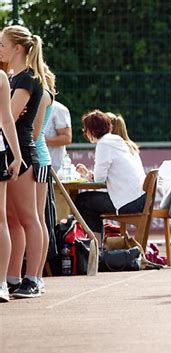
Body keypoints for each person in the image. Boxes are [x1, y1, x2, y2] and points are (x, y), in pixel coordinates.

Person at [0, 25, 46, 298]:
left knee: (29, 217)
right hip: (8, 151)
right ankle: (13, 276)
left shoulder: (27, 79)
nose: (0, 48)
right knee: (12, 219)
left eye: (3, 44)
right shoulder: (11, 77)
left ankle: (34, 278)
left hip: (24, 154)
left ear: (18, 47)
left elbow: (10, 116)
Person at [75, 110, 146, 240]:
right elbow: (101, 178)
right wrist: (88, 174)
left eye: (85, 130)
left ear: (91, 130)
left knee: (83, 201)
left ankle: (96, 246)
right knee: (87, 201)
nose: (85, 133)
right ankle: (98, 245)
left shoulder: (104, 144)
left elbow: (99, 179)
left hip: (129, 201)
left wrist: (87, 175)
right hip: (140, 198)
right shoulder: (118, 141)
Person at [32, 64, 56, 294]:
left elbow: (35, 132)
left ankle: (37, 276)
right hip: (35, 157)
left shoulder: (42, 94)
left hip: (38, 159)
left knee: (37, 218)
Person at [0, 70, 22, 303]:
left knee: (0, 218)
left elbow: (6, 118)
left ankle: (1, 283)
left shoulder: (1, 78)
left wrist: (16, 155)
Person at [44, 100, 72, 172]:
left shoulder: (58, 109)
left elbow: (67, 138)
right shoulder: (28, 104)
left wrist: (40, 141)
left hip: (56, 168)